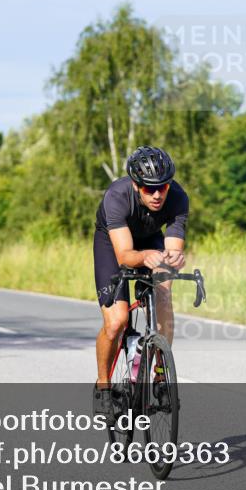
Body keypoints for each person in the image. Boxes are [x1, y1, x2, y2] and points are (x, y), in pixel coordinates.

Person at [92, 146, 188, 414]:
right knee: (117, 321)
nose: (157, 195)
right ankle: (103, 385)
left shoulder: (178, 197)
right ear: (136, 185)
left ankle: (159, 374)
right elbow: (125, 255)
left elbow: (173, 248)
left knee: (164, 293)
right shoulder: (117, 196)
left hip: (150, 240)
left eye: (163, 187)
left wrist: (175, 259)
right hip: (114, 245)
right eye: (149, 189)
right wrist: (145, 255)